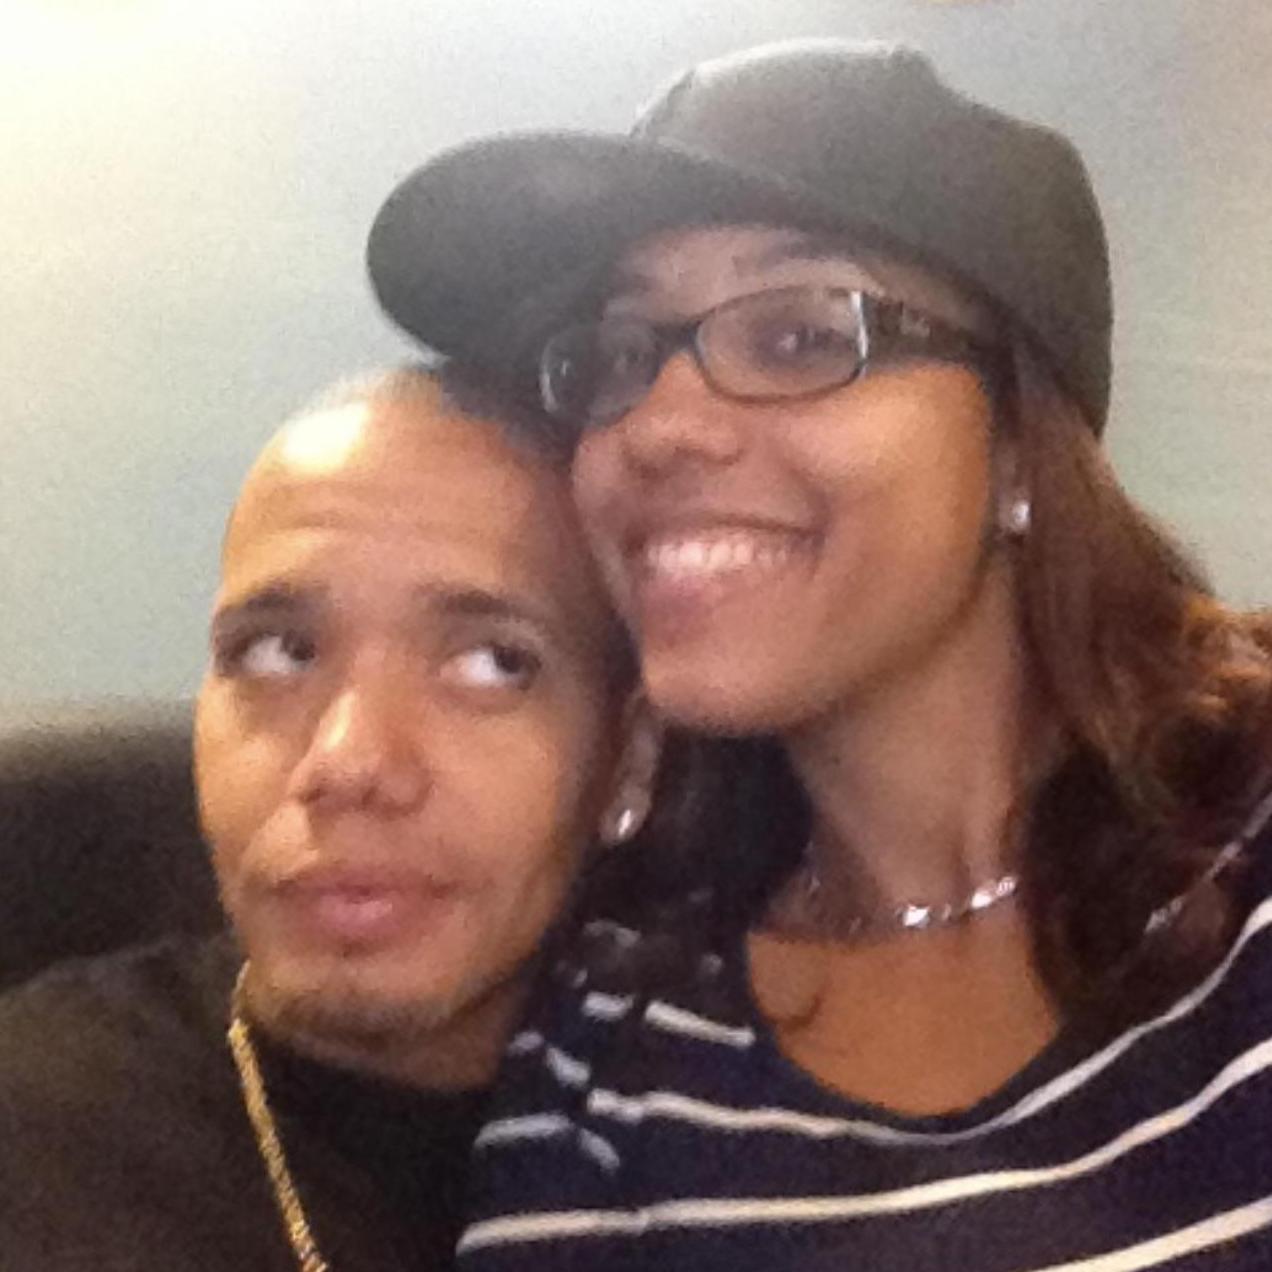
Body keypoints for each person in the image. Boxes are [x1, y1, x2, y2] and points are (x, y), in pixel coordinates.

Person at [368, 39, 1272, 1270]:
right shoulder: (617, 1048)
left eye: (798, 336)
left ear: (1019, 445)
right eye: (620, 356)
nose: (658, 426)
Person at [0, 367, 662, 1271]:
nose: (349, 762)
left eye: (493, 663)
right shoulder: (36, 1137)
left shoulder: (740, 1145)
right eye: (278, 651)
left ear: (629, 762)